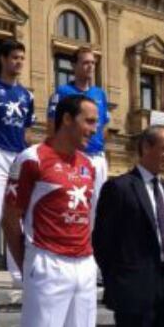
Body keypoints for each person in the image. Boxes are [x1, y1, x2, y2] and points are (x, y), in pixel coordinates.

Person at [3, 95, 99, 327]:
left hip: (85, 265)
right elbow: (9, 219)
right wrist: (27, 264)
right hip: (47, 262)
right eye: (89, 121)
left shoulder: (88, 164)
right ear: (66, 119)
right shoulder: (31, 158)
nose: (94, 130)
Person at [93, 125, 164, 327]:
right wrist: (118, 282)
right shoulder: (119, 187)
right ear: (146, 147)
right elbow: (102, 241)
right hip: (133, 288)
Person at [0, 39, 35, 283]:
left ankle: (18, 272)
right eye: (15, 57)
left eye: (22, 58)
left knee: (18, 215)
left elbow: (26, 131)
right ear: (3, 59)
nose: (19, 62)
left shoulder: (26, 95)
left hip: (17, 157)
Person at [46, 47, 110, 226]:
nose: (90, 66)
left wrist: (97, 145)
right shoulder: (63, 92)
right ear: (74, 65)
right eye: (85, 62)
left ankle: (93, 251)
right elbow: (52, 125)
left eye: (92, 63)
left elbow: (104, 125)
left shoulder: (100, 94)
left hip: (97, 156)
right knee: (74, 204)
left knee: (98, 208)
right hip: (74, 157)